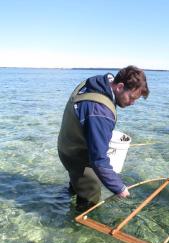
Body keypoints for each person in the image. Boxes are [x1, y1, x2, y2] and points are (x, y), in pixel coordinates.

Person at [57, 66, 149, 211]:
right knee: (90, 197)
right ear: (119, 87)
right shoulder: (100, 112)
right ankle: (78, 227)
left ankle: (66, 198)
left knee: (77, 185)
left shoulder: (98, 83)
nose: (132, 103)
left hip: (67, 144)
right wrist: (120, 188)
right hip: (76, 155)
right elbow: (99, 161)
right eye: (131, 97)